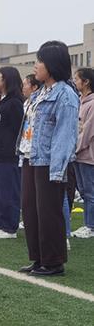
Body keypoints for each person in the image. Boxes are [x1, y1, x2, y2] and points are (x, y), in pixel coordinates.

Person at [17, 41, 79, 276]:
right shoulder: (40, 93)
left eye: (40, 61)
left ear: (52, 64)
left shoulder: (65, 94)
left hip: (48, 162)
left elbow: (65, 135)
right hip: (30, 156)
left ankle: (53, 262)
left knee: (48, 212)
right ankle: (38, 258)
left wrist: (57, 169)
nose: (36, 66)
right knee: (31, 210)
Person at [0, 67, 24, 239]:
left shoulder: (15, 103)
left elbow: (17, 130)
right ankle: (0, 224)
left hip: (9, 155)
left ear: (7, 80)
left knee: (9, 192)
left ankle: (10, 227)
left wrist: (10, 148)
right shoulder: (1, 101)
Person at [72, 68, 94, 238]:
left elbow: (87, 133)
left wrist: (75, 148)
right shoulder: (80, 100)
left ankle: (90, 226)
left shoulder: (92, 104)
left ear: (86, 82)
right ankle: (88, 224)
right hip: (78, 154)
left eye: (77, 78)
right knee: (83, 190)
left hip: (88, 155)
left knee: (89, 191)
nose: (74, 81)